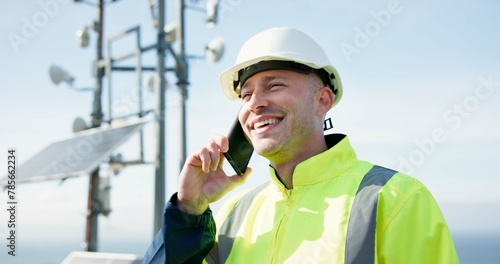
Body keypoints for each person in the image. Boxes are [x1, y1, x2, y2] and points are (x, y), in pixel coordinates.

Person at [142, 27, 459, 263]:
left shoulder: (395, 199)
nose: (255, 104)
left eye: (274, 85)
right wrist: (189, 210)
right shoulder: (233, 214)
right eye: (246, 94)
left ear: (322, 101)